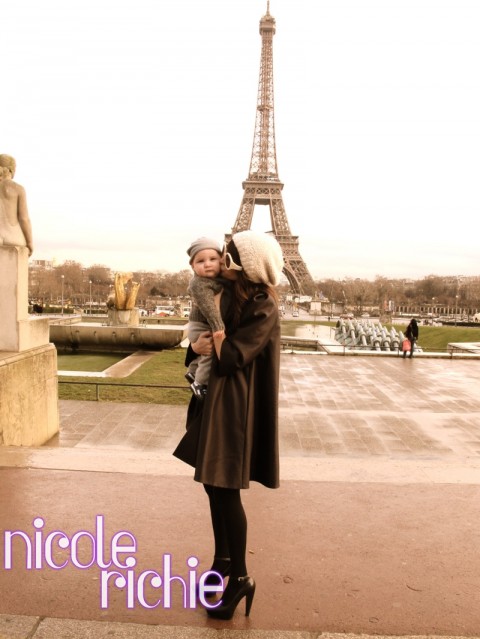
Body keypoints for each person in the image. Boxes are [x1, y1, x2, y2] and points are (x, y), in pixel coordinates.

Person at [173, 230, 284, 620]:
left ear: (247, 264)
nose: (223, 261)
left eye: (230, 257)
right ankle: (222, 559)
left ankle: (239, 576)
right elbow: (202, 338)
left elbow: (234, 356)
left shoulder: (262, 303)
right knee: (211, 486)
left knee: (224, 490)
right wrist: (196, 345)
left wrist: (212, 343)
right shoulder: (233, 294)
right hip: (215, 400)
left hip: (234, 409)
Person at [185, 237, 226, 400]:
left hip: (200, 324)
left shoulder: (213, 280)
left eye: (213, 259)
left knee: (203, 355)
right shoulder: (199, 284)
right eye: (201, 261)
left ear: (221, 261)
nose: (207, 264)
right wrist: (219, 328)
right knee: (208, 355)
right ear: (193, 266)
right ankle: (200, 383)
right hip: (201, 325)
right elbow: (210, 311)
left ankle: (192, 372)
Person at [0, 154, 34, 255]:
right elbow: (24, 219)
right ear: (11, 170)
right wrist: (30, 242)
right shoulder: (18, 189)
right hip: (13, 238)